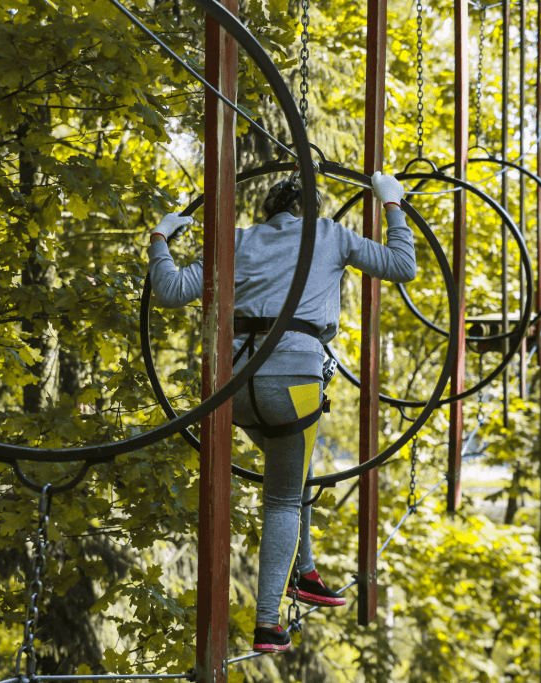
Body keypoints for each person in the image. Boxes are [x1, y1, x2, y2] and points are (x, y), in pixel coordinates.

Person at [146, 171, 414, 653]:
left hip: (232, 387)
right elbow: (402, 264)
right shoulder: (328, 233)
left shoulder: (236, 240)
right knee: (284, 498)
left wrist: (161, 236)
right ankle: (268, 622)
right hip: (293, 382)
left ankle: (304, 572)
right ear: (308, 210)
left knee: (297, 469)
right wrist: (392, 204)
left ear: (267, 210)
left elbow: (167, 292)